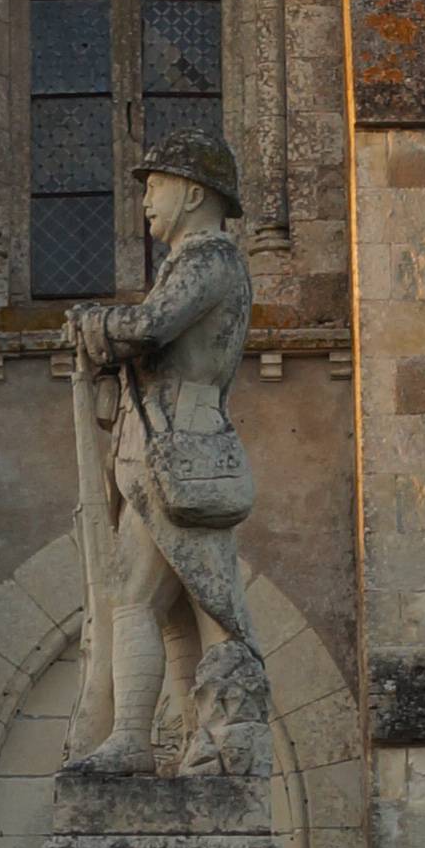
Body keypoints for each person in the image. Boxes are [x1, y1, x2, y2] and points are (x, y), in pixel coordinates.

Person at [63, 130, 271, 785]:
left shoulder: (209, 258)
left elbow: (153, 325)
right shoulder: (194, 261)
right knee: (167, 601)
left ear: (195, 193)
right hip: (165, 448)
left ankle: (169, 741)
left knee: (178, 601)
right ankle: (186, 741)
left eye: (157, 186)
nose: (147, 200)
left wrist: (94, 323)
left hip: (182, 452)